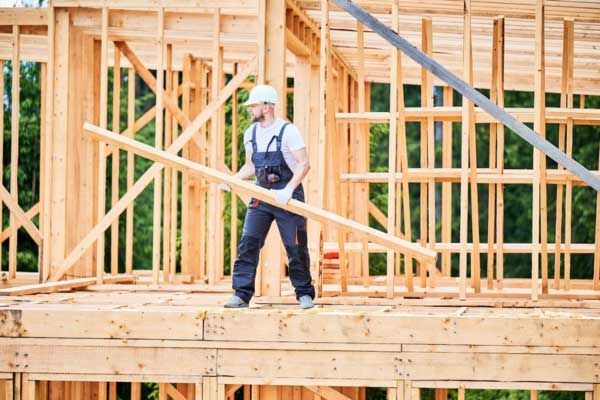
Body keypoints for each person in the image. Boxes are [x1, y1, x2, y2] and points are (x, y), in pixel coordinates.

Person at [219, 84, 315, 309]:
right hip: (262, 194)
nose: (250, 109)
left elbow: (304, 164)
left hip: (287, 196)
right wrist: (234, 180)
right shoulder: (250, 133)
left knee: (295, 246)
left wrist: (288, 190)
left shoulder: (288, 131)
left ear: (267, 106)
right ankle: (241, 294)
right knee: (248, 243)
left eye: (254, 105)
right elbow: (251, 166)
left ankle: (304, 294)